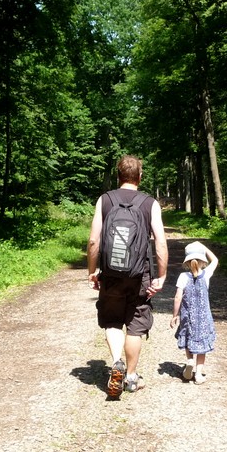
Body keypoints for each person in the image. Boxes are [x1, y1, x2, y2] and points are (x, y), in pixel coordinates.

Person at [87, 155, 168, 398]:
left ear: (118, 175)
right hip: (139, 274)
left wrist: (92, 271)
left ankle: (115, 362)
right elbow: (161, 243)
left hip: (111, 273)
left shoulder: (105, 200)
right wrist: (161, 276)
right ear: (140, 177)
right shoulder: (149, 203)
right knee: (135, 324)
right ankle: (131, 377)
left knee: (112, 320)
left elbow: (94, 241)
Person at [170, 242, 218, 384]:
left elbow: (178, 297)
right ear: (203, 261)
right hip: (204, 318)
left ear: (187, 261)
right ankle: (198, 374)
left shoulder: (183, 276)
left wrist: (175, 315)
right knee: (202, 346)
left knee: (188, 339)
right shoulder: (206, 274)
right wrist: (204, 247)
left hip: (187, 316)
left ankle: (190, 360)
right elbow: (215, 260)